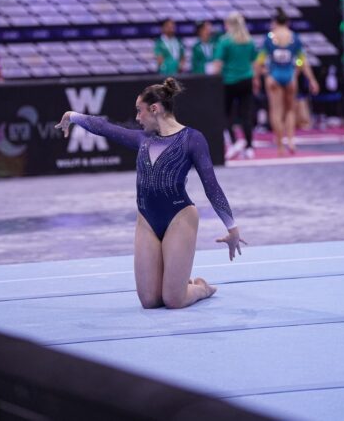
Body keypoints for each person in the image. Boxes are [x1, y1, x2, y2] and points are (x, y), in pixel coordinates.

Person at [55, 78, 245, 310]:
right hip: (147, 219)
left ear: (154, 109)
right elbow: (105, 128)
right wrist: (72, 116)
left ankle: (202, 288)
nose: (137, 118)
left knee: (174, 300)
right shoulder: (143, 140)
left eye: (139, 110)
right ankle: (178, 281)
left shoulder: (192, 139)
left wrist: (232, 228)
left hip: (179, 216)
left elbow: (211, 186)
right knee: (150, 301)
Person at [259, 8, 319, 155]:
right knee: (290, 110)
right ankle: (291, 141)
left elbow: (259, 61)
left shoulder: (270, 38)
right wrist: (311, 79)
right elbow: (302, 61)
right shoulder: (294, 37)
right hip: (289, 76)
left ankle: (280, 145)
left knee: (276, 111)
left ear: (275, 22)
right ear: (288, 22)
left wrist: (261, 75)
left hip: (274, 75)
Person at [214, 12, 258, 159]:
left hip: (229, 82)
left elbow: (218, 64)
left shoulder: (224, 41)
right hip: (246, 80)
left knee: (226, 114)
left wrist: (213, 79)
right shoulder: (249, 41)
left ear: (229, 24)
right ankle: (249, 147)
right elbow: (254, 62)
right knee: (246, 114)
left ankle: (233, 143)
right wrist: (255, 80)